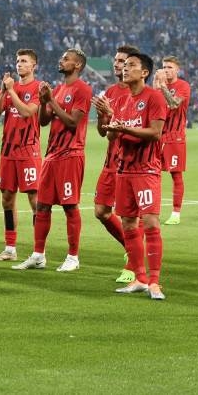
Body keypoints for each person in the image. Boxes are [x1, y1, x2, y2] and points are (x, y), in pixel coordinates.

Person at [12, 49, 92, 273]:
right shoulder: (59, 89)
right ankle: (38, 255)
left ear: (77, 65)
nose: (61, 60)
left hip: (71, 155)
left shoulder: (83, 89)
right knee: (43, 205)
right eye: (62, 57)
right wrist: (44, 100)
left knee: (69, 206)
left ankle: (73, 257)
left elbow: (73, 122)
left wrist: (52, 102)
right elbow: (44, 121)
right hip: (52, 155)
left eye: (66, 59)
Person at [98, 52, 168, 300]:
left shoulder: (154, 97)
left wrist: (123, 127)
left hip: (146, 169)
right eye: (124, 66)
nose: (125, 69)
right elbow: (111, 136)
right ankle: (140, 278)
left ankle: (155, 282)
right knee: (128, 224)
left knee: (150, 223)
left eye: (131, 66)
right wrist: (106, 118)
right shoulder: (122, 101)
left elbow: (155, 132)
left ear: (145, 72)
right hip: (123, 169)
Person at [0, 48, 42, 262]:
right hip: (9, 152)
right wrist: (3, 91)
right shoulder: (11, 87)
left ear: (33, 66)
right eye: (18, 60)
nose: (19, 64)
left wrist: (11, 92)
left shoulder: (38, 87)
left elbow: (28, 112)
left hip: (29, 151)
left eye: (24, 61)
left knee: (35, 200)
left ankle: (39, 250)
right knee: (7, 199)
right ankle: (10, 248)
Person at [90, 45, 139, 283]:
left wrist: (113, 117)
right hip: (111, 162)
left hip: (131, 163)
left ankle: (133, 262)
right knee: (101, 211)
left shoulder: (139, 94)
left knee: (130, 217)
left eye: (123, 61)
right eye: (116, 60)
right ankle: (132, 247)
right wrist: (103, 116)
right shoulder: (109, 91)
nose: (118, 64)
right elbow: (103, 132)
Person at [153, 56, 190, 225]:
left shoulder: (183, 86)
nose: (166, 70)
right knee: (152, 173)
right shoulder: (158, 85)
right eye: (164, 67)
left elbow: (174, 104)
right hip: (157, 136)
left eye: (169, 67)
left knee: (176, 175)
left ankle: (176, 213)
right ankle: (152, 209)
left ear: (177, 70)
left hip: (175, 137)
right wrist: (156, 87)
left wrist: (162, 87)